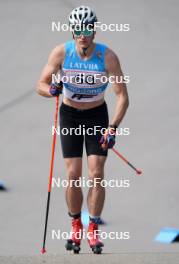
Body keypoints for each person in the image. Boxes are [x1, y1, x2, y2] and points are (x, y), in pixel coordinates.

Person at [37, 6, 129, 254]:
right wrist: (52, 91)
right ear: (73, 30)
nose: (82, 34)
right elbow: (40, 84)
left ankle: (93, 228)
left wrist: (113, 128)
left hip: (97, 115)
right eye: (78, 29)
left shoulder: (108, 57)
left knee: (97, 173)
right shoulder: (61, 53)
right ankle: (76, 223)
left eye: (87, 29)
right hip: (69, 116)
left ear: (94, 30)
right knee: (72, 174)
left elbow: (122, 97)